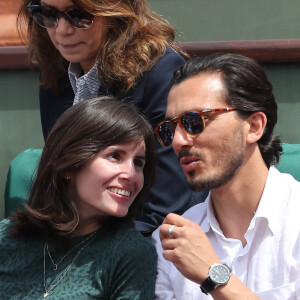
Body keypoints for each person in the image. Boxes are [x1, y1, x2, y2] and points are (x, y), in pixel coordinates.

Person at [17, 0, 208, 236]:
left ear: (116, 13)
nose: (62, 30)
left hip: (149, 244)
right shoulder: (55, 72)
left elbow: (168, 209)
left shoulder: (160, 72)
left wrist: (93, 253)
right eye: (48, 14)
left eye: (79, 15)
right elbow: (62, 186)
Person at [152, 53, 300, 299]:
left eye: (194, 121)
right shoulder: (172, 240)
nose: (178, 141)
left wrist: (214, 276)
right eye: (169, 129)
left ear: (253, 126)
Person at [0, 96, 157, 299]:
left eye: (138, 163)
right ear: (70, 164)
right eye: (114, 156)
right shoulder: (6, 236)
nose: (131, 174)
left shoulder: (131, 253)